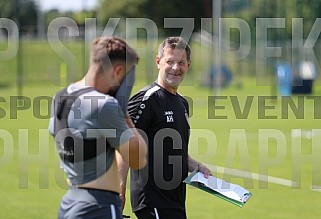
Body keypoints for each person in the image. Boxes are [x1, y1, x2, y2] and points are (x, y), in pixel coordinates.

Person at [49, 36, 147, 219]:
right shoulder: (104, 105)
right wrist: (123, 111)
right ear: (117, 71)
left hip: (70, 202)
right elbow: (138, 159)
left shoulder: (59, 98)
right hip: (99, 206)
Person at [122, 36, 212, 219]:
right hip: (152, 201)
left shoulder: (182, 103)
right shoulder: (146, 99)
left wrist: (197, 166)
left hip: (175, 202)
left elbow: (175, 151)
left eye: (181, 62)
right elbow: (123, 145)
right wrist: (119, 191)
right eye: (169, 61)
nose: (175, 68)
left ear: (189, 65)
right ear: (158, 61)